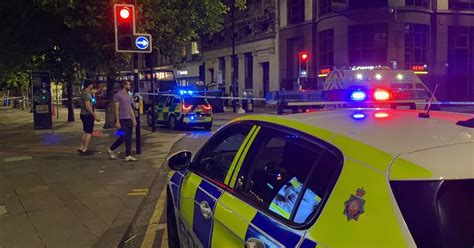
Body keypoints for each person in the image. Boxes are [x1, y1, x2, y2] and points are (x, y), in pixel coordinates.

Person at [108, 80, 137, 162]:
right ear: (124, 85)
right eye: (128, 84)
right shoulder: (118, 95)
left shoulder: (128, 95)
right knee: (123, 136)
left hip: (129, 119)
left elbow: (130, 108)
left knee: (129, 138)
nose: (130, 86)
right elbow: (116, 109)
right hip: (122, 119)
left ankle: (128, 155)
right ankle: (111, 148)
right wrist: (117, 121)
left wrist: (133, 118)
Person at [78, 80, 101, 155]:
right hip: (87, 115)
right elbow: (88, 106)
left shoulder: (85, 93)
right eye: (91, 85)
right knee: (89, 132)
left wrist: (100, 90)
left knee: (85, 131)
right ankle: (85, 149)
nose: (92, 86)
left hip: (83, 114)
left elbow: (94, 91)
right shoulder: (87, 94)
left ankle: (81, 147)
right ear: (89, 85)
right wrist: (94, 115)